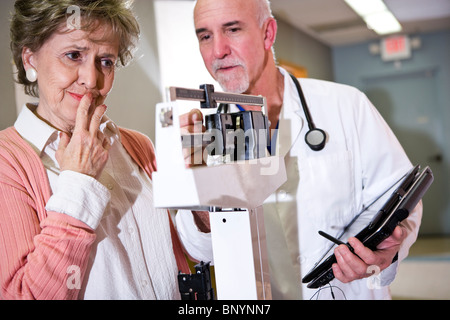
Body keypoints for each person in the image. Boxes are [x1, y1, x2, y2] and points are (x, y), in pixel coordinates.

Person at [176, 0, 423, 300]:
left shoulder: (346, 105)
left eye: (232, 29)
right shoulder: (198, 135)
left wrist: (385, 254)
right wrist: (204, 186)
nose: (218, 51)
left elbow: (401, 200)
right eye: (205, 36)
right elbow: (197, 250)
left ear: (268, 33)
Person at [0, 0, 202, 300]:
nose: (92, 80)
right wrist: (78, 183)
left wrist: (200, 186)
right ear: (30, 59)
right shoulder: (7, 161)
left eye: (105, 61)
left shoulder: (138, 146)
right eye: (73, 55)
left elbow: (195, 254)